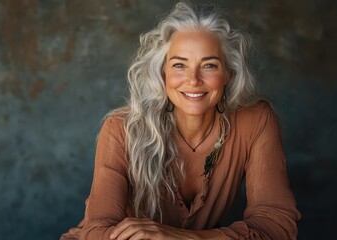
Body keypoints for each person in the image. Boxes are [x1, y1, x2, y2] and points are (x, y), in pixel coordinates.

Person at [61, 1, 301, 239]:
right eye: (179, 65)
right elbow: (96, 232)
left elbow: (277, 226)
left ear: (229, 73)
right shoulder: (121, 129)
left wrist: (181, 237)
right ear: (162, 73)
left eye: (209, 65)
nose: (193, 80)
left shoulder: (256, 121)